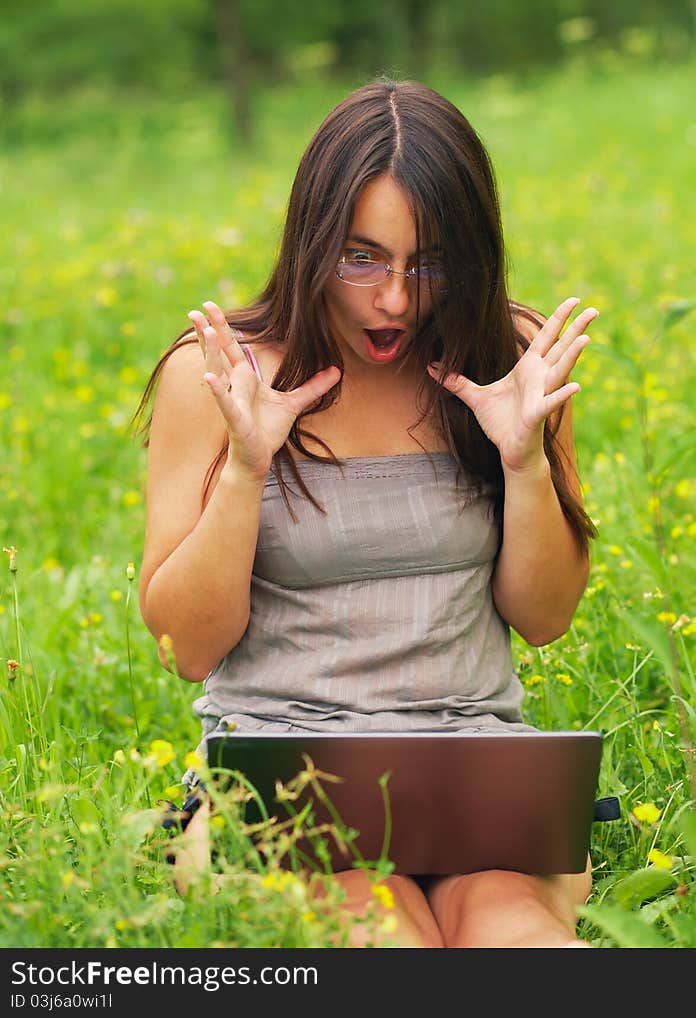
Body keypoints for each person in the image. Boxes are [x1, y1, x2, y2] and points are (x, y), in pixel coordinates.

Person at [134, 77, 599, 948]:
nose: (393, 299)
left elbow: (545, 618)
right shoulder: (217, 379)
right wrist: (246, 468)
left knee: (511, 931)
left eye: (427, 263)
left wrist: (525, 461)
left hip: (475, 771)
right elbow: (187, 647)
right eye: (361, 259)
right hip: (283, 782)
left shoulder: (511, 361)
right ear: (310, 245)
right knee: (374, 932)